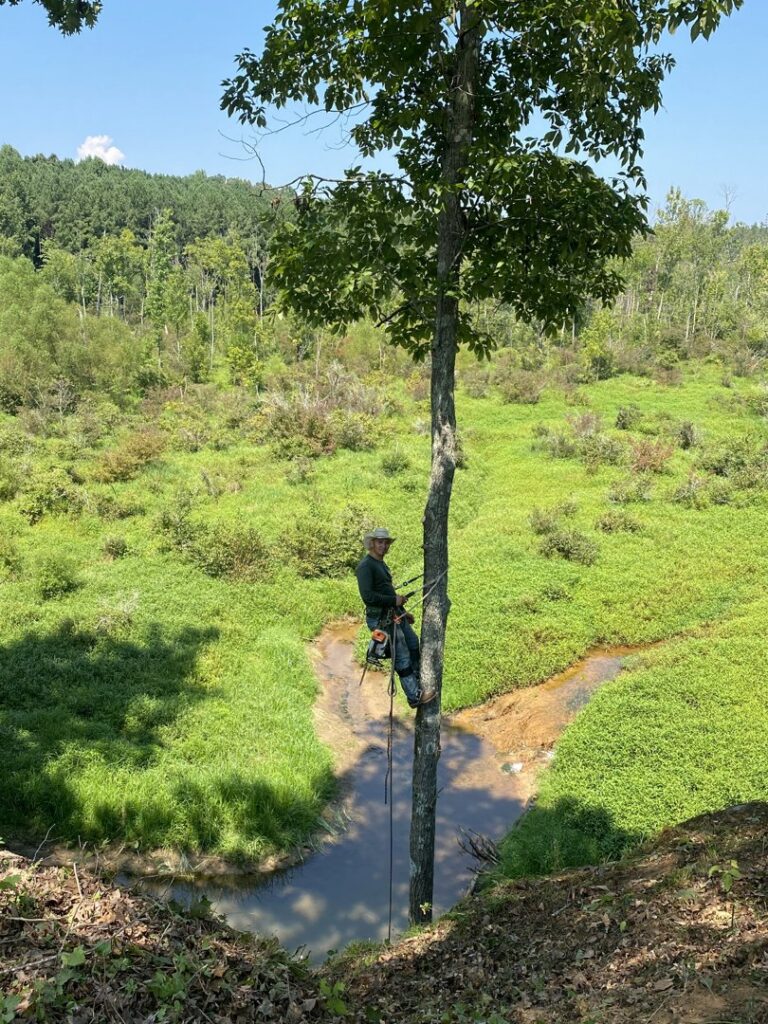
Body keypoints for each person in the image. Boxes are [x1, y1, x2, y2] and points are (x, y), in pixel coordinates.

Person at [355, 527, 436, 707]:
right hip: (381, 619)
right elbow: (368, 596)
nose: (383, 546)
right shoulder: (365, 567)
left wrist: (402, 611)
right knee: (402, 656)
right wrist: (394, 600)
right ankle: (414, 695)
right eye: (379, 542)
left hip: (393, 614)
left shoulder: (381, 564)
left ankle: (416, 681)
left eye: (385, 543)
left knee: (413, 644)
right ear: (372, 544)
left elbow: (384, 591)